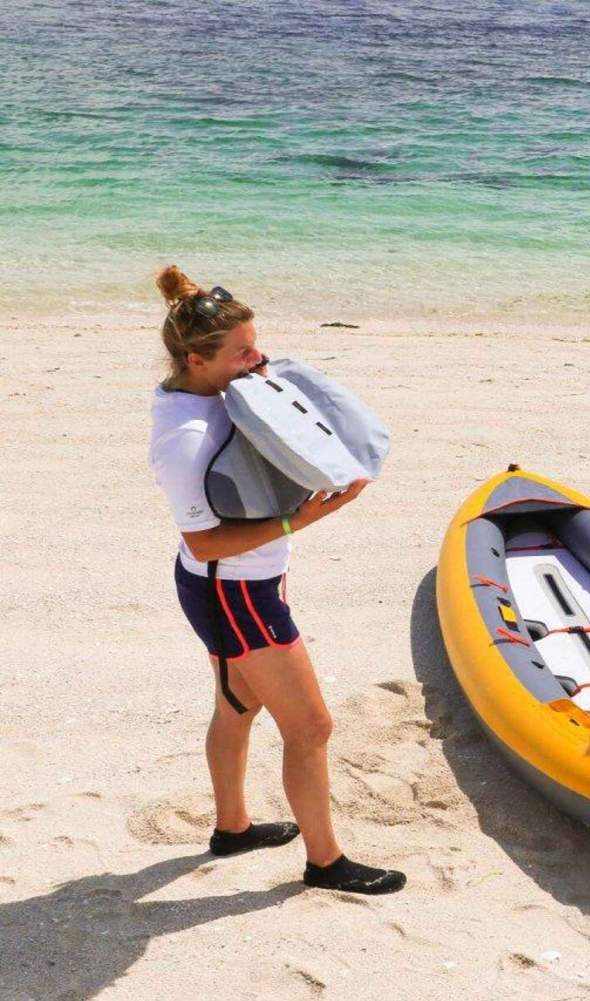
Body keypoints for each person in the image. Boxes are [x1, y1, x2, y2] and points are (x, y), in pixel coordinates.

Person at [147, 265, 404, 894]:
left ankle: (232, 829)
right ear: (196, 359)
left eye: (255, 344)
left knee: (238, 705)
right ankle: (326, 863)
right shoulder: (185, 437)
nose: (257, 358)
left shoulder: (216, 393)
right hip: (231, 590)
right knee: (311, 727)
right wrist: (301, 519)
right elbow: (203, 541)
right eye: (242, 352)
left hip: (240, 583)